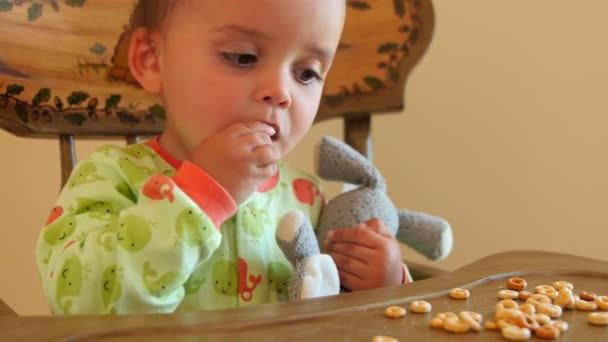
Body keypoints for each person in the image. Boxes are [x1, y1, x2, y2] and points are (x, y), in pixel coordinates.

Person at [36, 0, 408, 315]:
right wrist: (200, 195)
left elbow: (335, 312)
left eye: (307, 73)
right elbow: (81, 304)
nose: (281, 92)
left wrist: (384, 284)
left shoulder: (305, 195)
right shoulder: (109, 177)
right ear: (152, 59)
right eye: (242, 57)